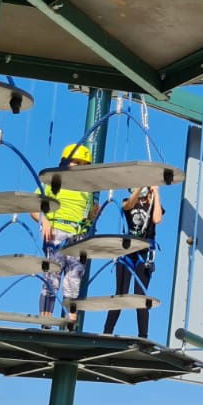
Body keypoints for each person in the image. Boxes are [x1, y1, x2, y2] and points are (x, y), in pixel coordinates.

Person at [33, 144, 101, 321]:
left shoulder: (88, 190)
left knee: (74, 281)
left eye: (83, 164)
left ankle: (70, 322)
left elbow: (87, 218)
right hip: (57, 232)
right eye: (75, 162)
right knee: (51, 278)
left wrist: (91, 217)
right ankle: (46, 321)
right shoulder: (53, 181)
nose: (78, 166)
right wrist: (44, 221)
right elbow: (33, 206)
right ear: (65, 162)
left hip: (78, 235)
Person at [103, 185, 164, 338]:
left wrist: (156, 192)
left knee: (140, 296)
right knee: (121, 293)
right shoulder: (127, 202)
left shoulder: (153, 206)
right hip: (127, 253)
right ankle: (107, 332)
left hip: (144, 254)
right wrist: (139, 188)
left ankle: (143, 335)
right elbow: (128, 206)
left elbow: (157, 219)